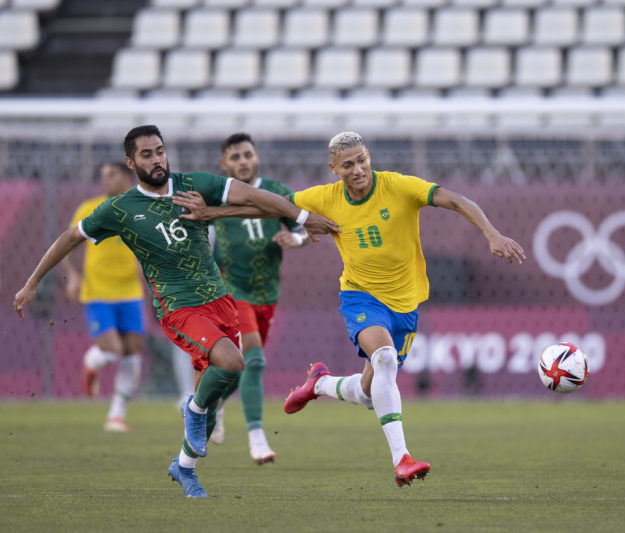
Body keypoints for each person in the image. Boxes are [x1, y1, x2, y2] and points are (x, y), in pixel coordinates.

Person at [173, 131, 526, 486]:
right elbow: (268, 206)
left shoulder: (398, 186)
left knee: (370, 394)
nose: (357, 170)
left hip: (405, 305)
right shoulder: (326, 197)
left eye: (361, 161)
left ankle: (320, 384)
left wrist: (492, 234)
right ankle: (402, 459)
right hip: (361, 297)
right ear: (334, 168)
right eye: (348, 165)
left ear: (369, 156)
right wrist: (212, 213)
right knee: (384, 358)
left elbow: (456, 200)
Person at [13, 124, 339, 498]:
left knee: (214, 398)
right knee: (233, 364)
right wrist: (32, 282)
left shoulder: (194, 185)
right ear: (131, 162)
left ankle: (184, 467)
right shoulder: (120, 209)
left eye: (160, 151)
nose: (157, 159)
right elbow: (71, 236)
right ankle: (194, 411)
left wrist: (301, 218)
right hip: (179, 308)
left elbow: (257, 198)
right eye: (146, 154)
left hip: (220, 302)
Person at [204, 132, 310, 464]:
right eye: (235, 157)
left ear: (257, 157)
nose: (243, 161)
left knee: (242, 368)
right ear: (224, 164)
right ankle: (257, 439)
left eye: (247, 154)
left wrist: (296, 240)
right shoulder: (216, 199)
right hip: (232, 293)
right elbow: (205, 244)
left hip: (267, 293)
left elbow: (305, 228)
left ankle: (214, 404)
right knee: (256, 360)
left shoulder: (276, 192)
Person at [63, 162, 146, 433]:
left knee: (132, 354)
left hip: (130, 292)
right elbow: (67, 245)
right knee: (112, 351)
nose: (105, 180)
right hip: (98, 292)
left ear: (127, 177)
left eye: (111, 175)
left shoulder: (140, 208)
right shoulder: (90, 208)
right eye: (102, 176)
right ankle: (91, 364)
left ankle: (116, 416)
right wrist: (73, 277)